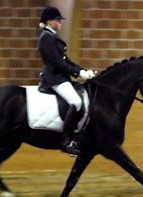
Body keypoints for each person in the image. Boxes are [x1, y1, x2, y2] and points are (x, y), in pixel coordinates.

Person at [38, 6, 96, 157]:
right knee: (75, 102)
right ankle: (66, 141)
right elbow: (57, 62)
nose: (60, 23)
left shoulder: (52, 37)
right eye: (58, 20)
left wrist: (84, 70)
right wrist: (77, 73)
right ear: (50, 21)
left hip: (61, 77)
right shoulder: (46, 38)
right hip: (54, 78)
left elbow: (67, 61)